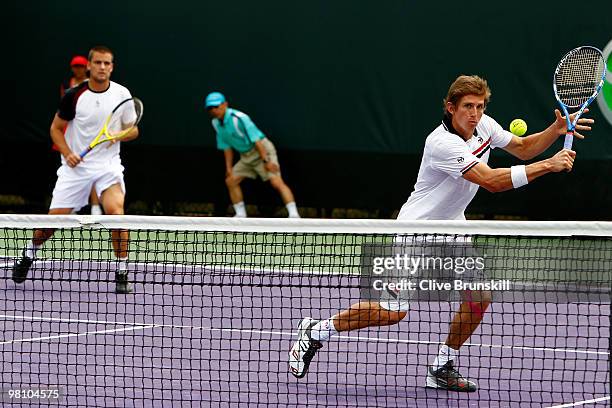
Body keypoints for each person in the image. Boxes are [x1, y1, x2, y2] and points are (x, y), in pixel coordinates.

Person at [289, 75, 594, 391]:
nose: (474, 114)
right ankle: (316, 331)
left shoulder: (485, 126)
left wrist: (555, 131)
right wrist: (549, 165)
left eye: (479, 106)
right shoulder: (441, 144)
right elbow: (490, 181)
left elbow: (522, 148)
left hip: (452, 228)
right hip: (416, 233)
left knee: (479, 297)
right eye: (467, 107)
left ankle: (441, 366)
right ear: (451, 107)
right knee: (393, 312)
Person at [12, 45, 139, 294]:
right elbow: (55, 129)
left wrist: (118, 134)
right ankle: (27, 255)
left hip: (108, 166)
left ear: (112, 67)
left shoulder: (123, 94)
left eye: (107, 63)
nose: (102, 67)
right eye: (98, 63)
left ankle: (122, 271)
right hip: (75, 170)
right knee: (52, 223)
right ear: (89, 66)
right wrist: (67, 153)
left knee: (117, 214)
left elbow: (134, 129)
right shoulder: (73, 95)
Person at [205, 92, 300, 218]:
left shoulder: (239, 118)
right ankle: (240, 215)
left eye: (216, 107)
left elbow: (257, 141)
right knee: (231, 180)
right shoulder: (216, 123)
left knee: (276, 182)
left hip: (262, 151)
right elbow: (226, 146)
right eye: (210, 108)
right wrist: (228, 168)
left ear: (225, 104)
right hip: (246, 156)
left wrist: (267, 161)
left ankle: (294, 215)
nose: (213, 110)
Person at [58, 55, 103, 216]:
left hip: (90, 134)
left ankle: (95, 207)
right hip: (70, 133)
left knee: (92, 172)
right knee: (72, 170)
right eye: (75, 66)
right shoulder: (68, 87)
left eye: (81, 66)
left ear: (87, 68)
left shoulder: (95, 87)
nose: (78, 69)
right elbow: (64, 110)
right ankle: (71, 205)